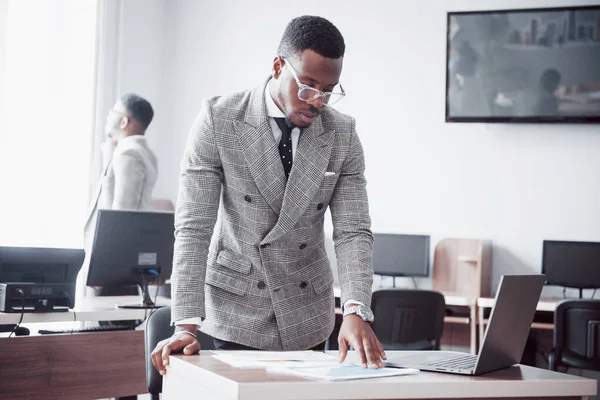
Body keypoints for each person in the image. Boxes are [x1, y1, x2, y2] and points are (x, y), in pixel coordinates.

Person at [152, 15, 385, 375]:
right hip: (234, 308)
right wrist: (185, 325)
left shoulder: (343, 134)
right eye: (308, 86)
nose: (318, 101)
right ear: (278, 66)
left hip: (307, 309)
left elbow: (353, 230)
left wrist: (355, 309)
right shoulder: (219, 119)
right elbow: (193, 228)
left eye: (329, 90)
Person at [80, 93, 158, 297]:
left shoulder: (128, 154)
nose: (108, 117)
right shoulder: (143, 153)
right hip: (125, 260)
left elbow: (123, 214)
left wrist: (103, 267)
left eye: (112, 112)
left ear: (124, 121)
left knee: (106, 327)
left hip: (114, 264)